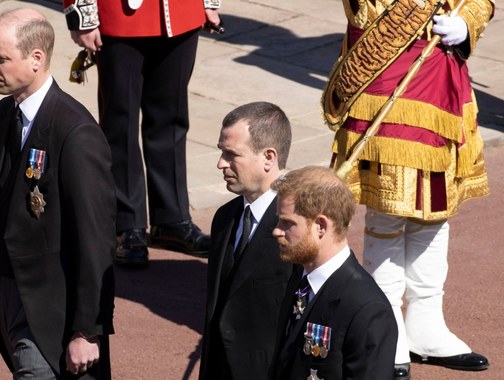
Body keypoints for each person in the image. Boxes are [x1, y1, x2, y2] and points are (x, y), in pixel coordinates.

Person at [322, 1, 494, 378]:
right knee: (389, 207)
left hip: (442, 74)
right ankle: (385, 326)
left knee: (436, 206)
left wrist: (465, 23)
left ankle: (426, 323)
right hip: (386, 73)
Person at [0, 9, 116, 379]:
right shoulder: (3, 116)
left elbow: (95, 239)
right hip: (8, 298)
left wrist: (87, 330)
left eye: (0, 58)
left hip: (51, 313)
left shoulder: (76, 132)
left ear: (36, 59)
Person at [62, 0, 223, 266]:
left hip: (182, 11)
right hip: (120, 16)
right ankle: (127, 225)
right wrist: (83, 16)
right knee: (120, 125)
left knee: (172, 119)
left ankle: (172, 218)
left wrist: (208, 3)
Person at [270, 166, 397, 380]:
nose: (276, 230)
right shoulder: (300, 278)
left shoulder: (368, 310)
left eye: (288, 223)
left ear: (320, 226)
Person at [199, 102, 294, 380]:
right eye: (221, 152)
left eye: (231, 155)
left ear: (268, 157)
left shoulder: (298, 225)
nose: (221, 163)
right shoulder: (225, 218)